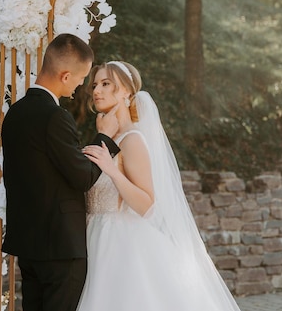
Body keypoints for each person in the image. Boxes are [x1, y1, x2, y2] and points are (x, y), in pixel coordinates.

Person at [78, 61, 242, 311]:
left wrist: (111, 170)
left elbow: (147, 205)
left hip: (120, 244)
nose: (96, 90)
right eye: (96, 84)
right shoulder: (107, 138)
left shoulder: (131, 140)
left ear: (126, 93)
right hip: (95, 237)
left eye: (106, 83)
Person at [1, 34, 121, 311]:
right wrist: (104, 138)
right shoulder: (54, 117)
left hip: (29, 245)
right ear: (66, 76)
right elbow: (82, 177)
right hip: (60, 248)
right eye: (81, 78)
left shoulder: (15, 113)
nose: (82, 85)